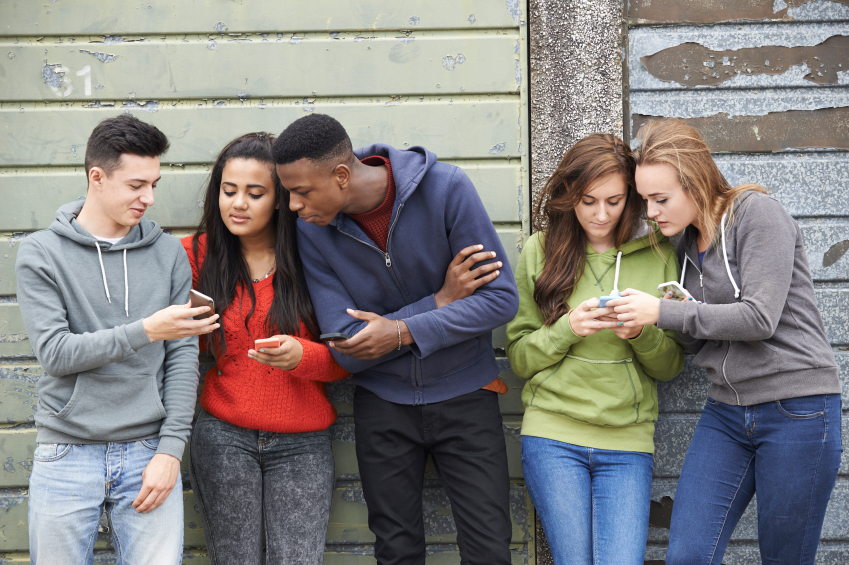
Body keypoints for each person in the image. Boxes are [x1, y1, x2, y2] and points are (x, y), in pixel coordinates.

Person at [271, 113, 519, 565]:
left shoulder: (446, 189)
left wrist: (398, 331)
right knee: (396, 553)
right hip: (382, 405)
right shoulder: (312, 231)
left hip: (467, 394)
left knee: (489, 552)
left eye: (302, 191)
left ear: (341, 175)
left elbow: (501, 301)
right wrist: (440, 301)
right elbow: (346, 346)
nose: (292, 205)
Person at [609, 118, 843, 565]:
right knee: (688, 555)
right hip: (726, 412)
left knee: (785, 558)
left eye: (662, 199)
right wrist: (641, 325)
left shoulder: (756, 213)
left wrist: (663, 311)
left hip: (798, 407)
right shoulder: (682, 249)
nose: (652, 213)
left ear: (695, 183)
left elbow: (759, 319)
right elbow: (700, 340)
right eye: (645, 201)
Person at [16, 114, 218, 564]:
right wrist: (148, 330)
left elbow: (183, 360)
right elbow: (56, 353)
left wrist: (170, 451)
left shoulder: (167, 254)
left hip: (149, 452)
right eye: (135, 185)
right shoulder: (41, 253)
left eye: (155, 184)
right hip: (66, 452)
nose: (148, 197)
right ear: (97, 177)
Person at [506, 133, 684, 564]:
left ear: (632, 198)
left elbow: (672, 366)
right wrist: (568, 328)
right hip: (552, 435)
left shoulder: (658, 253)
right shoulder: (540, 250)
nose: (601, 214)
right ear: (569, 195)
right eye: (588, 201)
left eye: (614, 201)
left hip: (628, 441)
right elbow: (519, 359)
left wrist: (640, 333)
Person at [182, 132, 349, 565]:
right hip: (223, 435)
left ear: (279, 199)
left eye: (255, 193)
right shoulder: (196, 257)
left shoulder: (312, 259)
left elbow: (350, 356)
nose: (238, 203)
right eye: (228, 190)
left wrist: (304, 356)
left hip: (303, 443)